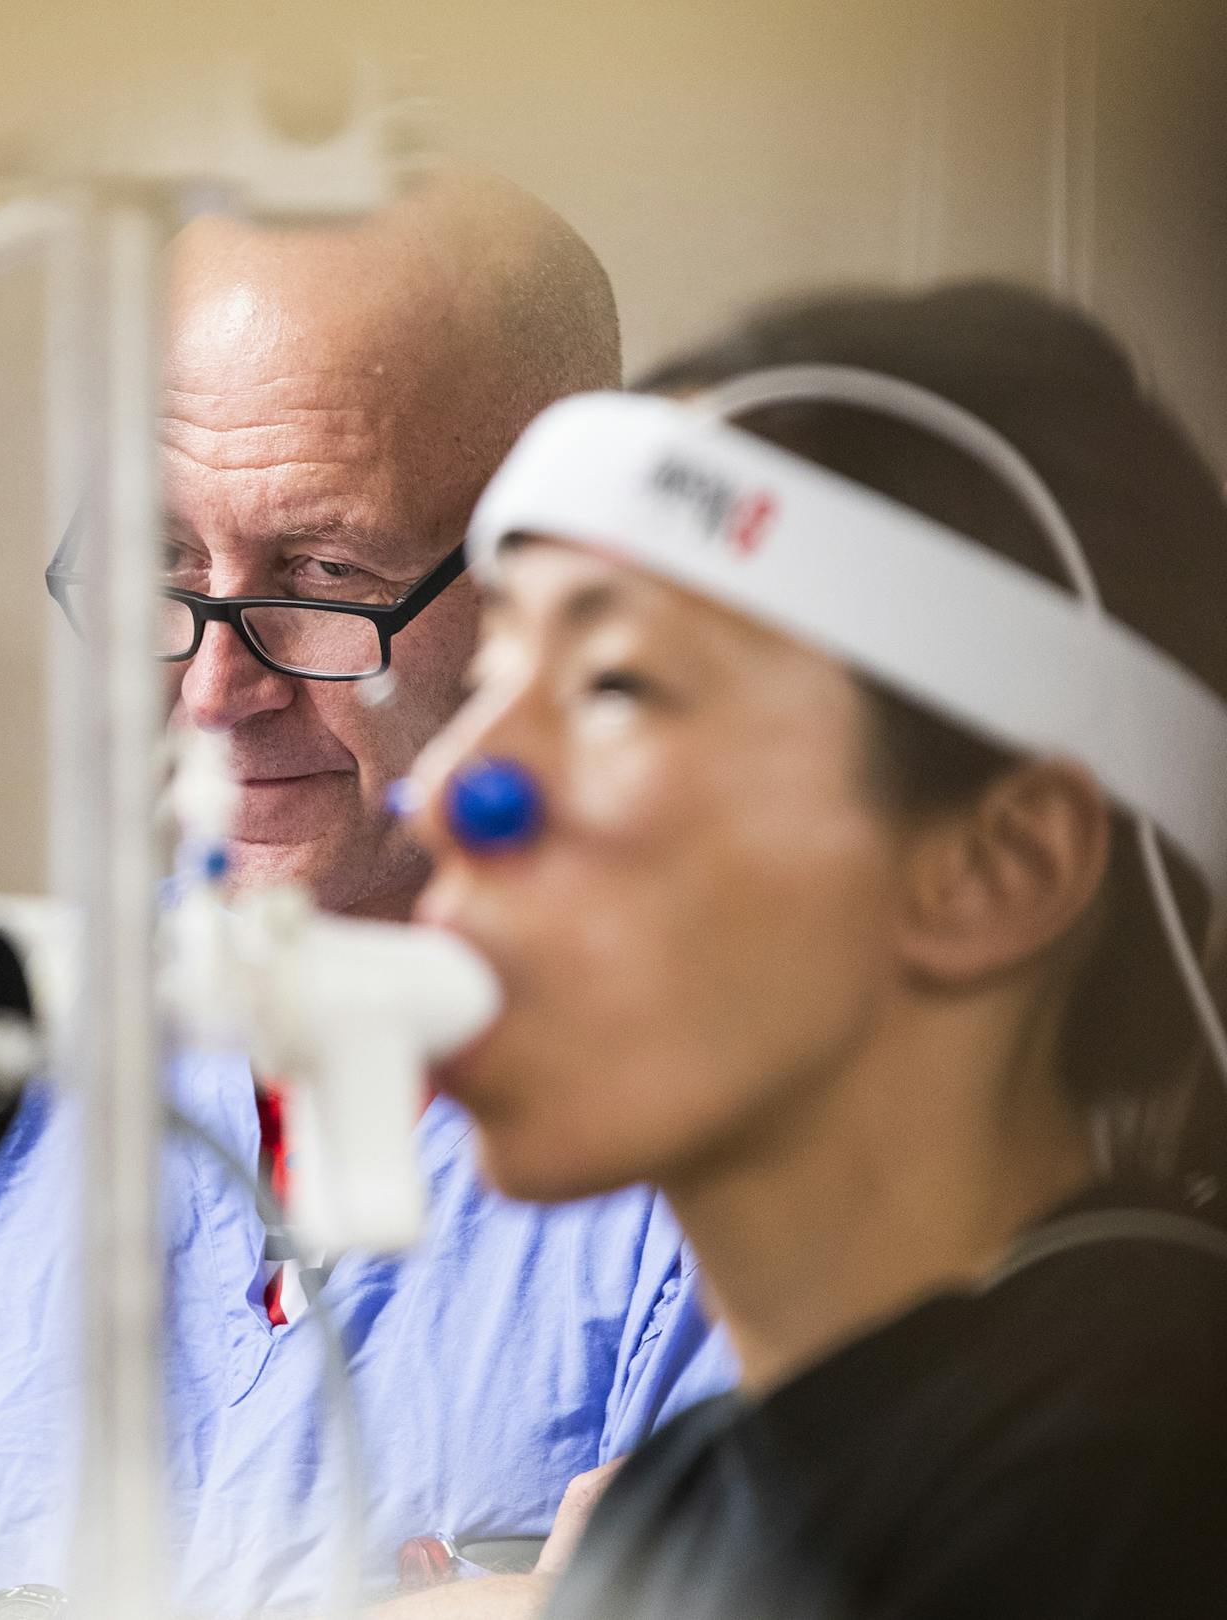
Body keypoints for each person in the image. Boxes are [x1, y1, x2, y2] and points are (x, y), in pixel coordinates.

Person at [0, 177, 733, 1620]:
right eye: (164, 560)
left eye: (325, 576)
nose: (215, 688)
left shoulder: (742, 1163)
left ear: (565, 585)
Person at [405, 281, 1227, 1619]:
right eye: (490, 678)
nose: (453, 789)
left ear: (992, 868)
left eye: (614, 685)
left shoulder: (1139, 1483)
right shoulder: (694, 1491)